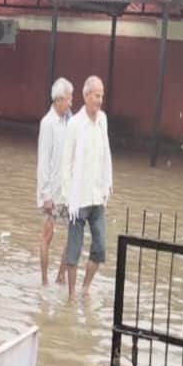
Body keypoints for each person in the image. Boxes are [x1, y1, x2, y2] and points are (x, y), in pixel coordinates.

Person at [62, 75, 113, 300]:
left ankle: (85, 289)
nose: (100, 100)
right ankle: (71, 295)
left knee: (100, 246)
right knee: (73, 249)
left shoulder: (103, 120)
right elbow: (66, 164)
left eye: (102, 96)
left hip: (97, 195)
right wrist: (67, 197)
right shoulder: (74, 124)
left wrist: (107, 183)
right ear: (86, 96)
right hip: (78, 198)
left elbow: (106, 154)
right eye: (96, 95)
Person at [38, 77, 73, 286]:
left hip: (67, 191)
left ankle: (60, 276)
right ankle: (44, 280)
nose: (70, 103)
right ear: (59, 99)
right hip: (51, 191)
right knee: (47, 235)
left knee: (72, 236)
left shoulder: (68, 121)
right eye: (68, 99)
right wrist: (46, 195)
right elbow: (44, 161)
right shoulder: (48, 123)